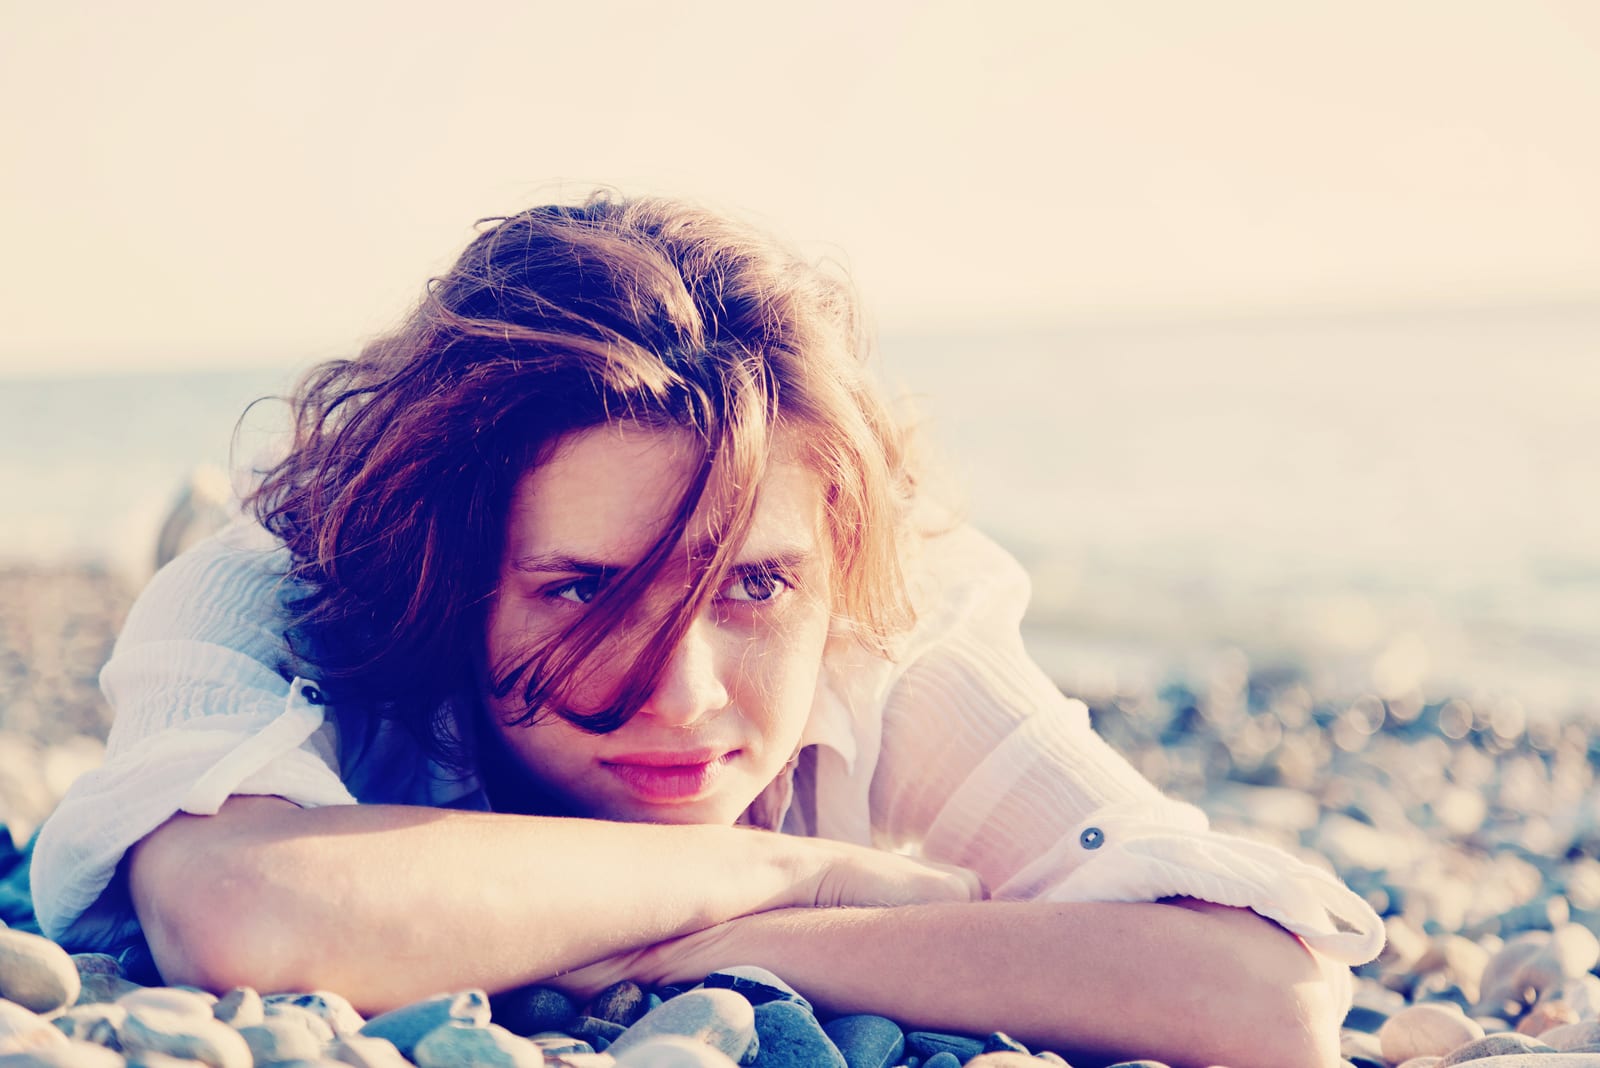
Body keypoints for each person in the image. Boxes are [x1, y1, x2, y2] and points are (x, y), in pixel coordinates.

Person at [32, 193, 1381, 1068]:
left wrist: (690, 939)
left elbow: (1258, 996)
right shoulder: (281, 585)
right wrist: (792, 879)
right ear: (446, 571)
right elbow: (243, 911)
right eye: (583, 589)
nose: (684, 698)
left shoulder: (882, 616)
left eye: (746, 588)